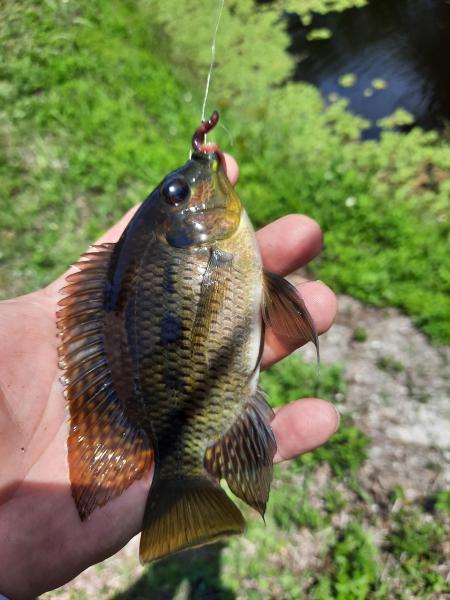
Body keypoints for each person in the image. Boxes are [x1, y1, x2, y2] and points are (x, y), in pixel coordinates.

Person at [0, 154, 338, 599]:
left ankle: (191, 482)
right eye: (178, 194)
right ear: (174, 228)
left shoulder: (202, 249)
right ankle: (183, 483)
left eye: (175, 192)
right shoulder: (213, 249)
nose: (194, 180)